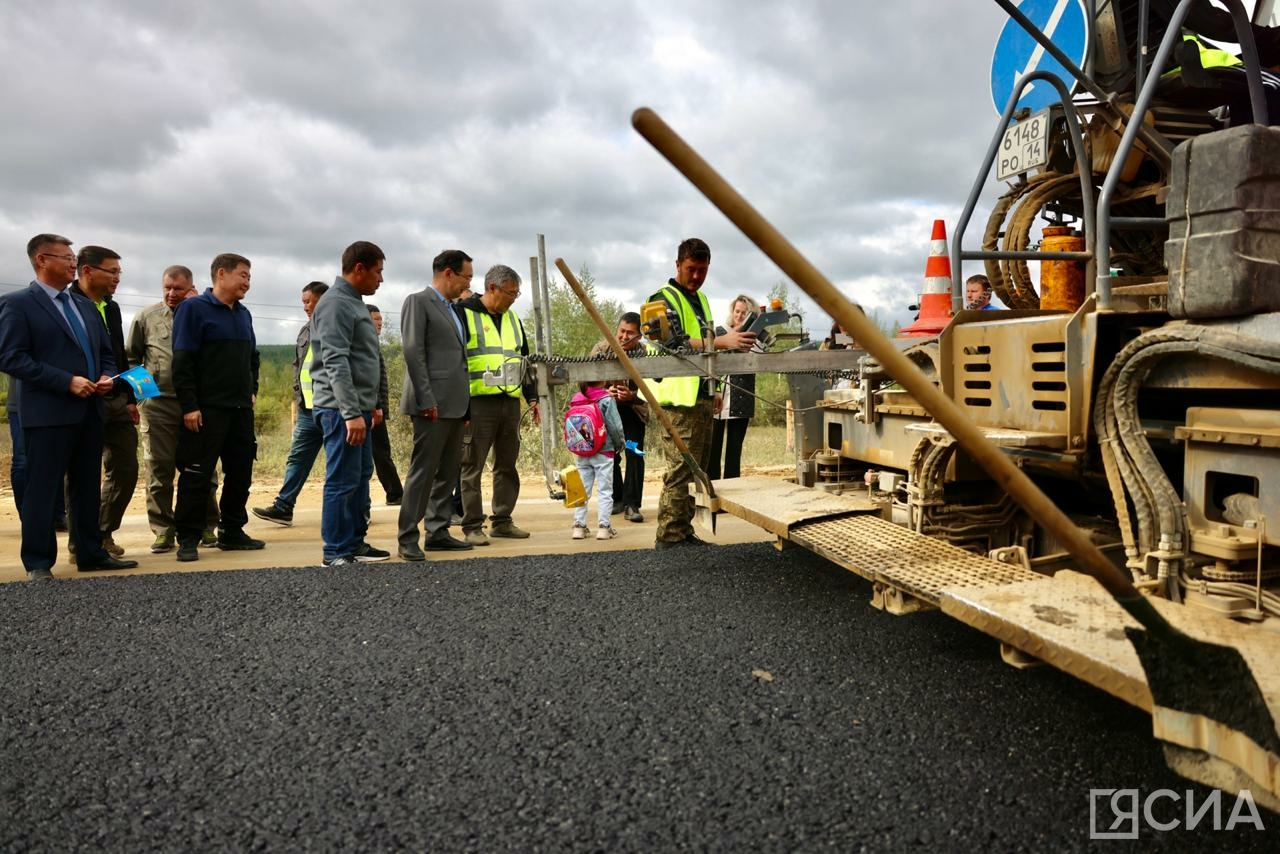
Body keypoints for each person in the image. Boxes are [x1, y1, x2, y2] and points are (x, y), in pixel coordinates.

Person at [0, 234, 137, 578]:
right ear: (42, 260)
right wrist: (66, 381)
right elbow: (11, 357)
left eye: (73, 257)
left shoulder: (86, 306)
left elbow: (106, 353)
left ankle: (90, 552)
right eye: (65, 257)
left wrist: (107, 376)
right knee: (43, 490)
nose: (72, 263)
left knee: (87, 486)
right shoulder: (18, 304)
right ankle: (38, 562)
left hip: (91, 410)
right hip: (47, 412)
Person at [648, 238, 756, 549]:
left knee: (696, 468)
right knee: (681, 469)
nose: (697, 276)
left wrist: (716, 388)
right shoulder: (659, 299)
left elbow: (706, 352)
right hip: (677, 401)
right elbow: (667, 343)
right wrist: (723, 342)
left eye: (703, 270)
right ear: (678, 265)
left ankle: (682, 532)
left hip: (702, 397)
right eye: (692, 269)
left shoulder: (702, 300)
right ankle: (668, 537)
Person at [171, 253, 264, 562]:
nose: (247, 282)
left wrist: (252, 390)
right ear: (221, 274)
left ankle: (233, 532)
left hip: (240, 410)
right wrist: (189, 406)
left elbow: (253, 358)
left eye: (249, 277)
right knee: (196, 475)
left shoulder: (243, 314)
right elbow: (182, 361)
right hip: (206, 410)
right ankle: (187, 537)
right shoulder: (193, 309)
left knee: (240, 473)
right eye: (243, 275)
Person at [310, 242, 392, 567]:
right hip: (340, 411)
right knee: (342, 479)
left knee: (359, 476)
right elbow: (335, 360)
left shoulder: (354, 303)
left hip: (359, 409)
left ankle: (355, 543)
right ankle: (335, 551)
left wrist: (370, 406)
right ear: (359, 268)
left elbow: (364, 361)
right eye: (378, 271)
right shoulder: (335, 305)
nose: (381, 280)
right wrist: (350, 413)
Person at [128, 266, 221, 552]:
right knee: (159, 468)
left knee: (202, 469)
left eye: (178, 289)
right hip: (159, 405)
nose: (171, 293)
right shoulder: (147, 317)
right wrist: (141, 396)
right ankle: (163, 530)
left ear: (191, 287)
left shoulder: (204, 313)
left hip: (197, 404)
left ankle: (206, 525)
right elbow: (131, 357)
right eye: (167, 287)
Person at [396, 249, 474, 561]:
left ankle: (438, 531)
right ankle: (407, 537)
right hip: (431, 405)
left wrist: (465, 406)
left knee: (448, 471)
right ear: (448, 273)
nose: (468, 282)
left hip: (455, 405)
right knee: (423, 472)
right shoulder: (418, 302)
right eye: (466, 276)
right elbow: (414, 352)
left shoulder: (454, 309)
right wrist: (426, 398)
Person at [457, 264, 540, 545]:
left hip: (510, 403)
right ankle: (471, 526)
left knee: (507, 463)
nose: (513, 299)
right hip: (477, 403)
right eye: (510, 294)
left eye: (517, 294)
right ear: (492, 288)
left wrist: (532, 397)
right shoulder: (463, 313)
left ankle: (502, 521)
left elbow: (524, 361)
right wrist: (462, 407)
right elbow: (454, 363)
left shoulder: (513, 319)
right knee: (472, 465)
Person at [70, 246, 137, 556]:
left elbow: (119, 354)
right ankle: (81, 542)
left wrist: (130, 396)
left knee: (125, 468)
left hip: (115, 399)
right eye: (112, 272)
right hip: (79, 400)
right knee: (82, 474)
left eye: (119, 273)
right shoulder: (66, 304)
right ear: (87, 271)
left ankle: (102, 532)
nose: (117, 278)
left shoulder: (111, 307)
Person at [252, 281, 330, 527]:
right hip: (308, 409)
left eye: (309, 301)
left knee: (342, 463)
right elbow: (299, 367)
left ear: (323, 300)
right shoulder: (305, 331)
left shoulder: (335, 327)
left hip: (332, 407)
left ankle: (360, 511)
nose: (305, 307)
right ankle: (284, 507)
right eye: (303, 302)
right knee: (297, 458)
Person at [588, 311, 649, 523]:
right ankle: (618, 498)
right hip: (607, 413)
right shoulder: (601, 349)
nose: (623, 337)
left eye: (630, 333)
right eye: (621, 331)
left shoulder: (646, 355)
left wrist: (633, 396)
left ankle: (632, 504)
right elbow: (586, 385)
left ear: (639, 336)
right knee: (609, 454)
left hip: (632, 413)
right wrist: (605, 392)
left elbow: (654, 390)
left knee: (634, 453)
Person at [709, 294, 761, 481]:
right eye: (737, 311)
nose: (739, 315)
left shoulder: (755, 338)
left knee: (734, 449)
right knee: (713, 447)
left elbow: (758, 358)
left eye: (744, 313)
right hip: (718, 397)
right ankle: (712, 486)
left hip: (742, 397)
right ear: (732, 312)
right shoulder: (720, 332)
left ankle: (732, 489)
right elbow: (710, 362)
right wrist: (714, 388)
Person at [566, 380, 626, 540]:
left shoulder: (576, 399)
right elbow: (615, 426)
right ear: (603, 380)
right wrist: (620, 443)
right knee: (605, 490)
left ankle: (579, 527)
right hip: (604, 451)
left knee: (582, 490)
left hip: (583, 451)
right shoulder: (606, 399)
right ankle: (604, 528)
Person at [366, 304, 403, 506]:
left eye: (380, 319)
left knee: (380, 453)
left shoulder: (373, 342)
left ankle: (395, 493)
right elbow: (371, 379)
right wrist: (377, 406)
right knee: (379, 454)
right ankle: (395, 493)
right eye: (375, 319)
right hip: (372, 409)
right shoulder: (366, 342)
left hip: (376, 408)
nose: (379, 323)